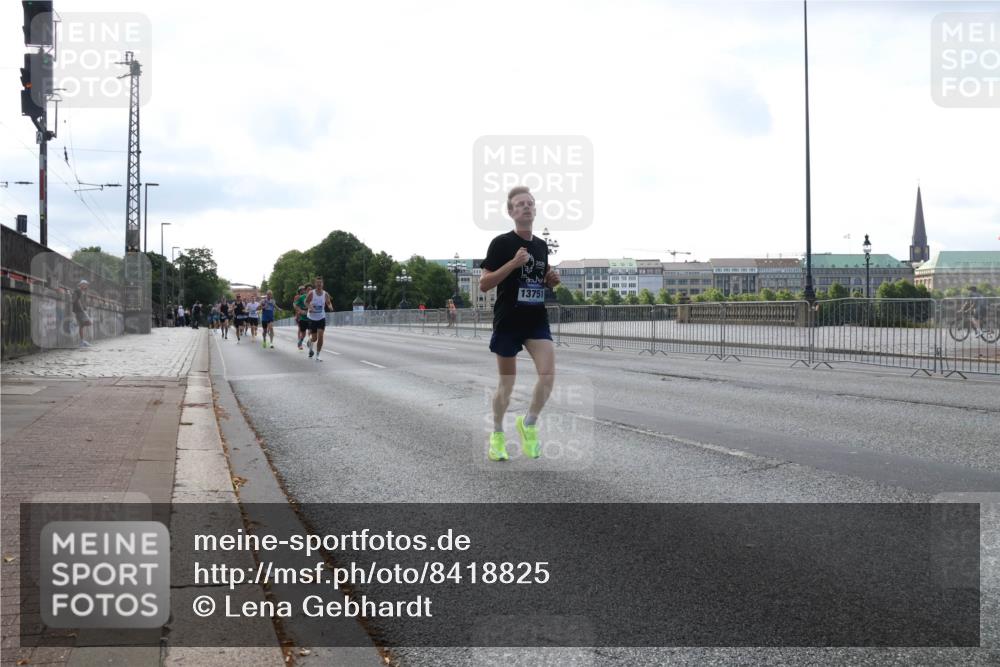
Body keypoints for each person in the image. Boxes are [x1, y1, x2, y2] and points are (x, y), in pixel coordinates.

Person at [478, 185, 560, 461]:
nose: (526, 207)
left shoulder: (540, 246)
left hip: (536, 318)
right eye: (520, 204)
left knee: (548, 375)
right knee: (507, 385)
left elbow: (538, 276)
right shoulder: (501, 244)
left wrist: (550, 279)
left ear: (535, 210)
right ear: (511, 211)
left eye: (530, 203)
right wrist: (512, 264)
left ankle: (528, 424)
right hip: (509, 320)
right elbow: (484, 284)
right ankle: (497, 435)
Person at [305, 276, 334, 361]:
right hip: (312, 318)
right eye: (317, 283)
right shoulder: (311, 293)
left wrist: (330, 307)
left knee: (321, 336)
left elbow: (328, 303)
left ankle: (318, 355)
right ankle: (310, 341)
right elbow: (306, 302)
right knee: (314, 338)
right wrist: (309, 307)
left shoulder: (325, 294)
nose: (319, 284)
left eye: (320, 283)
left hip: (321, 317)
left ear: (322, 284)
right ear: (315, 284)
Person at [72, 279, 93, 347]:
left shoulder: (80, 291)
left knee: (82, 325)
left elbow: (79, 300)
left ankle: (82, 341)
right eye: (85, 285)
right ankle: (82, 341)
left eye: (86, 285)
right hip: (79, 310)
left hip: (78, 310)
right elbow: (77, 301)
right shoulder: (78, 290)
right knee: (89, 322)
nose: (86, 286)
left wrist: (84, 308)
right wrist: (82, 309)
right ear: (81, 284)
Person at [293, 285, 310, 351]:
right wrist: (298, 312)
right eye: (301, 290)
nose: (303, 291)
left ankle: (309, 340)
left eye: (303, 289)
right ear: (299, 291)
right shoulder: (297, 297)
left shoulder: (308, 296)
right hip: (299, 315)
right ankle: (300, 342)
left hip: (308, 315)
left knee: (310, 329)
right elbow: (294, 305)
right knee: (300, 329)